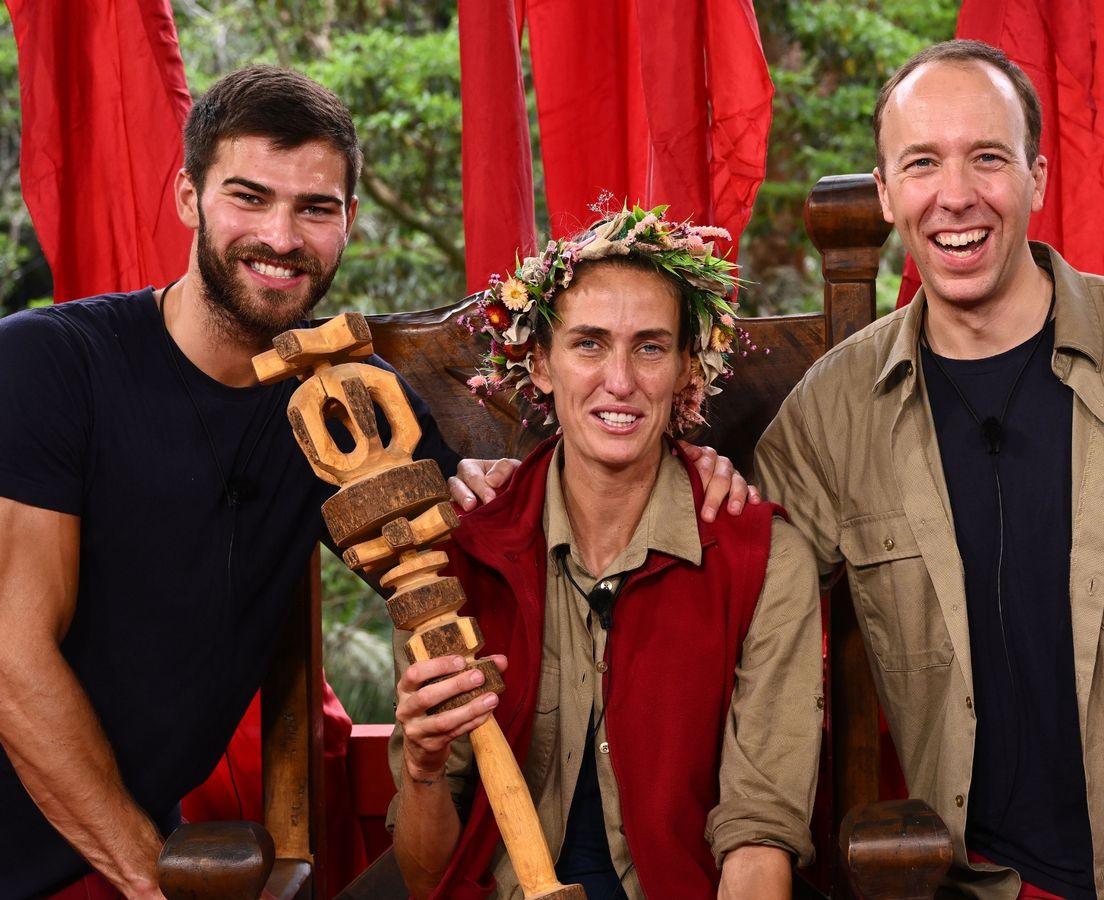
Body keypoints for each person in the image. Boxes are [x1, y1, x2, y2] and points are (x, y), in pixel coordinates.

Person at [0, 67, 750, 899]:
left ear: (348, 222)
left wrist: (677, 467)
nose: (281, 237)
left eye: (315, 208)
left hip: (127, 854)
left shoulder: (343, 400)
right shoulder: (50, 363)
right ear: (188, 197)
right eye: (249, 197)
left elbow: (493, 541)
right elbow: (11, 657)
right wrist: (150, 884)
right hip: (81, 845)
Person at [756, 40, 1104, 900]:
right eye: (922, 163)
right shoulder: (831, 414)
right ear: (887, 193)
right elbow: (731, 605)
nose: (955, 194)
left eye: (987, 158)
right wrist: (515, 487)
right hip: (981, 882)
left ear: (1037, 178)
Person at [390, 206, 823, 899]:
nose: (619, 381)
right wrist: (422, 768)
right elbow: (425, 877)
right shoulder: (456, 559)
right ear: (540, 364)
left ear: (687, 369)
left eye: (649, 348)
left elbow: (758, 835)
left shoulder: (765, 561)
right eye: (589, 344)